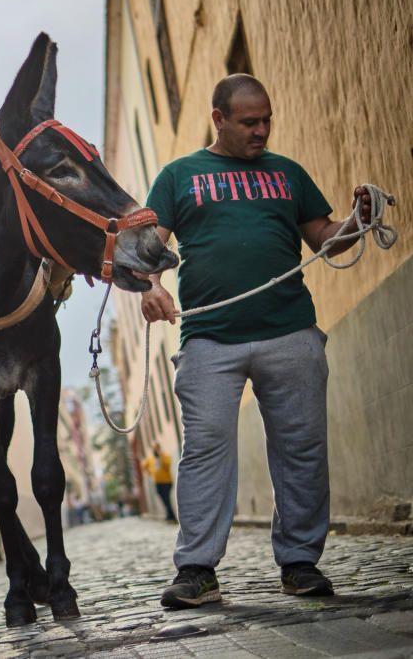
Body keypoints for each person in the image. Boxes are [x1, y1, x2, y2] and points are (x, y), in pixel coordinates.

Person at [139, 74, 373, 609]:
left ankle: (300, 563)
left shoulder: (288, 173)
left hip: (290, 330)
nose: (262, 130)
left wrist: (357, 221)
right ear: (218, 119)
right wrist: (150, 289)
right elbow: (150, 250)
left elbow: (325, 240)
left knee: (302, 448)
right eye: (249, 122)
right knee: (204, 449)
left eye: (267, 119)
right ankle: (196, 569)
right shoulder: (179, 176)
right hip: (209, 341)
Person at [141, 441, 176, 522]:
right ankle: (170, 516)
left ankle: (170, 517)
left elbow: (168, 465)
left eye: (156, 447)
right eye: (153, 448)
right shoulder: (150, 459)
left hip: (167, 481)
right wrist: (149, 472)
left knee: (166, 499)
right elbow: (144, 466)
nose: (155, 449)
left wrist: (161, 456)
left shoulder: (165, 456)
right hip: (157, 482)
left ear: (159, 448)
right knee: (164, 499)